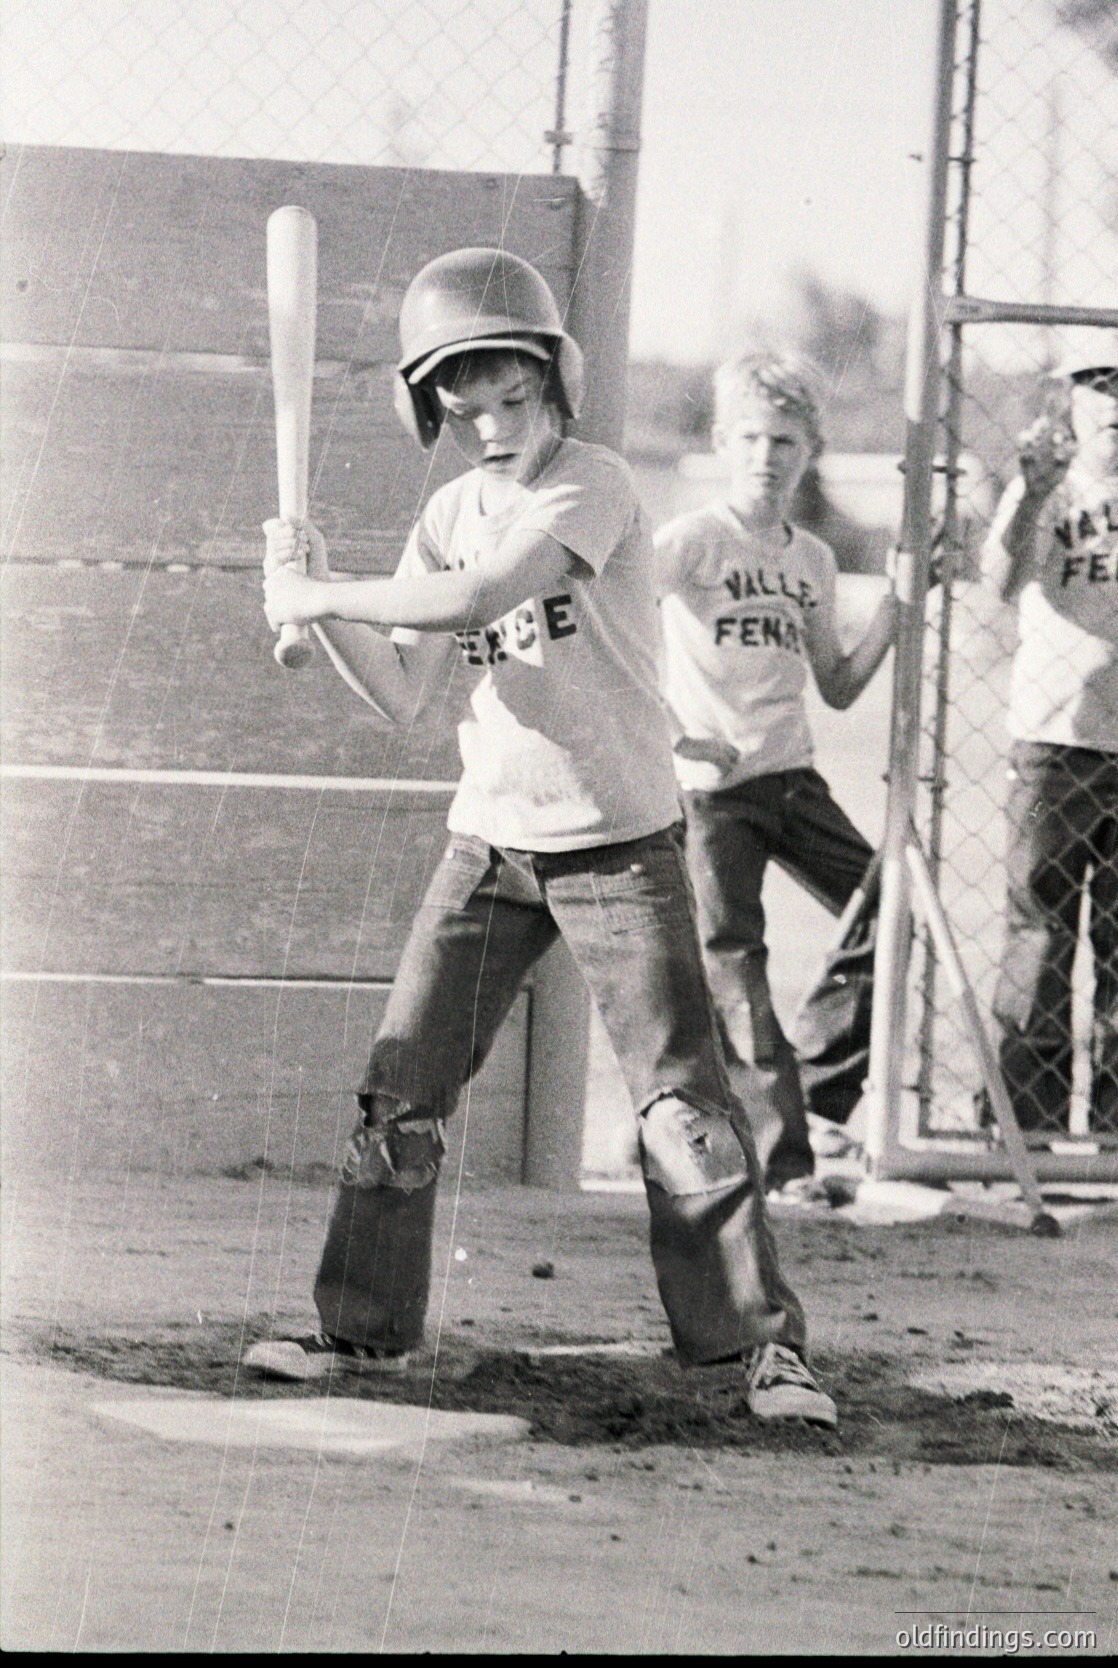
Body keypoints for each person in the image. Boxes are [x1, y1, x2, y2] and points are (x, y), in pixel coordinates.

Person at [247, 249, 837, 1425]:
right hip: (490, 845)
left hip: (617, 843)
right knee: (397, 1092)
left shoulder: (594, 483)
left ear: (555, 386)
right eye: (463, 412)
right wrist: (307, 595)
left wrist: (328, 596)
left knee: (680, 1109)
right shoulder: (446, 512)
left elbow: (480, 598)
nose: (493, 428)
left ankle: (752, 1354)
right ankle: (359, 1334)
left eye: (513, 401)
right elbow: (411, 693)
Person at [654, 354, 900, 1190]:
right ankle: (784, 1163)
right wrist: (677, 733)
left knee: (894, 908)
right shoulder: (693, 540)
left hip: (792, 778)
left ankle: (822, 1094)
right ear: (725, 442)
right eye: (752, 437)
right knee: (735, 964)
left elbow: (835, 684)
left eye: (786, 440)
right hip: (715, 795)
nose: (768, 455)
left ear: (811, 449)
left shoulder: (814, 560)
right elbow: (614, 624)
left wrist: (897, 610)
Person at [980, 332, 1118, 1137]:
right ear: (1070, 401)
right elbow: (996, 583)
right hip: (1055, 742)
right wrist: (1030, 495)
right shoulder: (1049, 492)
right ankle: (1025, 1125)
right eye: (1099, 385)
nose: (1117, 403)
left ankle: (1108, 1134)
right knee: (1040, 933)